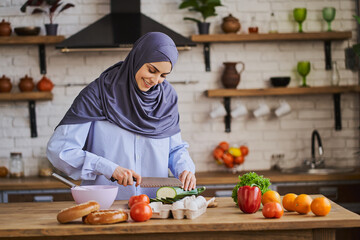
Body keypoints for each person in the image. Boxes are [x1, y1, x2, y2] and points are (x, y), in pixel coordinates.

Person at [47, 32, 196, 200]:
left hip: (154, 206)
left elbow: (175, 149)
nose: (155, 80)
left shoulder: (166, 98)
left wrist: (185, 169)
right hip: (105, 205)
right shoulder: (98, 94)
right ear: (138, 58)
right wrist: (107, 167)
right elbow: (59, 150)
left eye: (163, 75)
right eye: (152, 70)